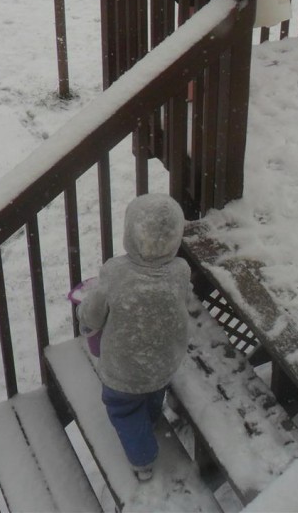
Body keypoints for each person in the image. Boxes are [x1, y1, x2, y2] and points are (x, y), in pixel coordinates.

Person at [77, 194, 191, 482]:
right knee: (153, 392)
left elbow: (93, 314)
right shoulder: (180, 271)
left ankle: (143, 460)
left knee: (124, 409)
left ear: (130, 232)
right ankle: (151, 418)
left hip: (123, 370)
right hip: (165, 362)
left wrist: (84, 318)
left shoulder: (116, 272)